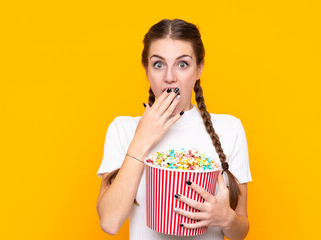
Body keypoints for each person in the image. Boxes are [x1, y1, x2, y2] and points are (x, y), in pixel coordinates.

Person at [96, 19, 252, 240]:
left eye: (182, 64)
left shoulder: (230, 129)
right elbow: (109, 222)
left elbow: (241, 230)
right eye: (158, 64)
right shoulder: (123, 129)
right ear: (146, 70)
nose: (169, 77)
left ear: (199, 69)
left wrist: (227, 219)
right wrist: (141, 140)